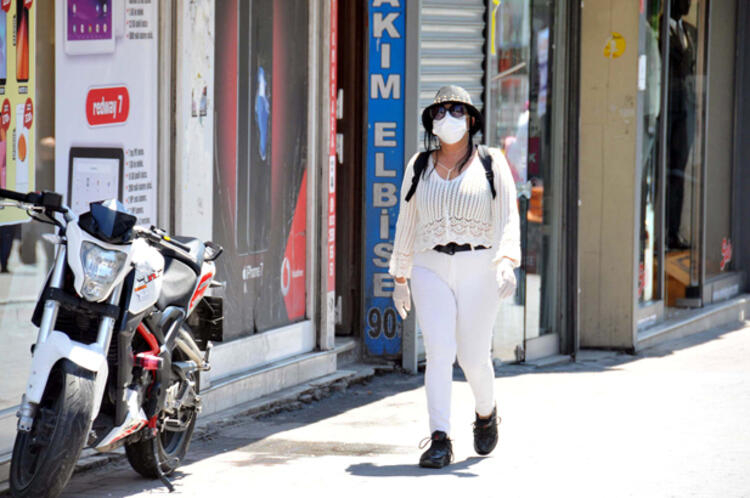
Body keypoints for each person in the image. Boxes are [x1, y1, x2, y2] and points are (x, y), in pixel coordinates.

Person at [389, 85, 521, 468]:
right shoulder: (419, 165)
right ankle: (440, 439)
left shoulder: (491, 163)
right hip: (430, 266)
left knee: (473, 357)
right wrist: (400, 277)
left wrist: (507, 261)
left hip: (479, 266)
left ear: (472, 119)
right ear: (431, 122)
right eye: (441, 111)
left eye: (457, 110)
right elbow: (407, 221)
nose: (449, 118)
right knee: (440, 352)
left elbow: (508, 217)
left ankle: (485, 412)